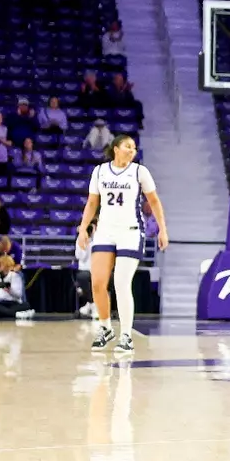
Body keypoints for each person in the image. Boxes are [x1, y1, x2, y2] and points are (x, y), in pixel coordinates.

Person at [75, 134, 167, 353]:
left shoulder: (139, 172)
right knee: (97, 283)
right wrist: (82, 228)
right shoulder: (100, 171)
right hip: (105, 231)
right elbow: (92, 203)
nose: (131, 150)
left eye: (134, 148)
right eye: (127, 146)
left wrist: (163, 229)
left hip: (131, 231)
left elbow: (154, 201)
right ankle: (106, 328)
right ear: (116, 148)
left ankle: (126, 335)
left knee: (121, 283)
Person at [0, 253, 33, 321]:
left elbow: (18, 296)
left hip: (13, 303)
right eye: (4, 267)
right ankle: (17, 315)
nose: (6, 270)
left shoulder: (16, 277)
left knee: (26, 305)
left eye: (8, 267)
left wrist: (10, 290)